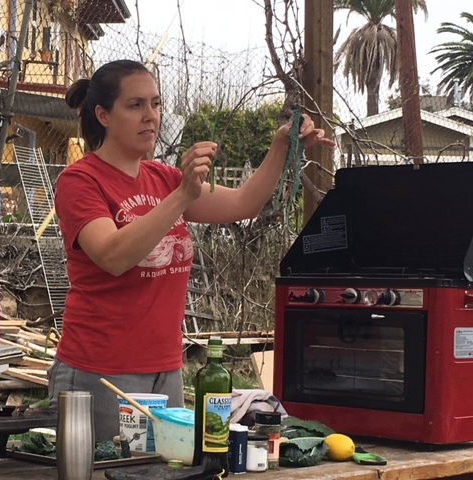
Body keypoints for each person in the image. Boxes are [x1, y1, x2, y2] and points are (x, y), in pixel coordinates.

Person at [50, 59, 335, 441]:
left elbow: (243, 204)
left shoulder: (162, 178)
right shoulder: (80, 181)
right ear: (102, 114)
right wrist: (182, 195)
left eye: (155, 103)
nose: (150, 116)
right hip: (100, 372)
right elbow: (114, 256)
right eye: (135, 105)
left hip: (165, 370)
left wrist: (280, 146)